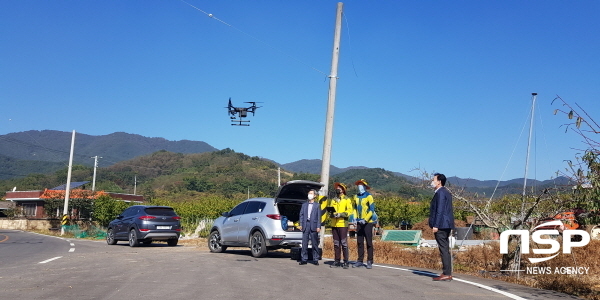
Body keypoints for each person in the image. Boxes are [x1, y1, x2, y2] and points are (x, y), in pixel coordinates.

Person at [429, 173, 455, 281]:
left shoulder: (440, 193)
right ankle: (447, 272)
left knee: (443, 249)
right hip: (446, 224)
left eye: (434, 179)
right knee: (445, 248)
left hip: (441, 225)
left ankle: (446, 273)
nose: (432, 181)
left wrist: (436, 225)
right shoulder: (446, 192)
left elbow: (440, 210)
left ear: (439, 181)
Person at [351, 179, 377, 269]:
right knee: (359, 242)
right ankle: (359, 260)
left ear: (365, 187)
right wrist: (354, 217)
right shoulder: (355, 196)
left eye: (361, 185)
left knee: (369, 242)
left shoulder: (369, 196)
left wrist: (365, 219)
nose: (359, 186)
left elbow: (371, 209)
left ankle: (370, 261)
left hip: (367, 223)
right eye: (358, 185)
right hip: (358, 222)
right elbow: (354, 208)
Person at [328, 182, 353, 269]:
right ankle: (337, 260)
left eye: (339, 187)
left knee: (344, 243)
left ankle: (346, 261)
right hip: (334, 224)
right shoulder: (333, 199)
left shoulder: (347, 199)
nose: (337, 188)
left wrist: (340, 214)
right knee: (336, 243)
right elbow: (331, 210)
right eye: (337, 187)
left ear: (343, 190)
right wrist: (331, 214)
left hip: (343, 224)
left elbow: (349, 211)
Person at [298, 189, 322, 265]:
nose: (309, 195)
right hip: (305, 225)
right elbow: (301, 215)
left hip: (314, 225)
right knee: (304, 243)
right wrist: (301, 224)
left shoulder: (317, 205)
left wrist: (318, 226)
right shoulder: (304, 205)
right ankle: (304, 259)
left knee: (314, 243)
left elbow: (319, 217)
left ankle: (315, 259)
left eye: (311, 193)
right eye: (309, 193)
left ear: (315, 195)